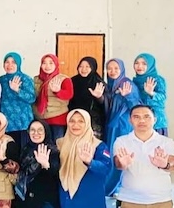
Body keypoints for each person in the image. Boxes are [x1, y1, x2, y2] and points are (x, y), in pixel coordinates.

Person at [103, 59, 142, 196]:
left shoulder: (127, 84)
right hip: (112, 125)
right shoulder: (111, 85)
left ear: (122, 70)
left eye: (116, 68)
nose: (112, 71)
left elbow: (137, 107)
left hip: (122, 125)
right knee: (111, 154)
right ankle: (112, 186)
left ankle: (118, 186)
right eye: (109, 68)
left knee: (120, 154)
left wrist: (128, 96)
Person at [0, 52, 36, 154]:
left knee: (23, 151)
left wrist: (17, 90)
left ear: (18, 64)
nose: (10, 65)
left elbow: (32, 98)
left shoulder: (25, 78)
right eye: (7, 62)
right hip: (6, 122)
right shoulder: (1, 80)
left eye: (13, 62)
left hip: (22, 122)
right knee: (9, 151)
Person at [33, 54, 73, 140]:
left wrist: (58, 91)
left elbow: (69, 95)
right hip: (40, 118)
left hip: (57, 118)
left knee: (57, 143)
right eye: (44, 63)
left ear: (56, 64)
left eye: (51, 63)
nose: (47, 66)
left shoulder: (63, 79)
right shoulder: (36, 79)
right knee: (42, 144)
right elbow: (33, 96)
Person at [68, 57, 106, 138]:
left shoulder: (98, 82)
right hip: (75, 119)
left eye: (87, 66)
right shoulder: (72, 81)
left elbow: (105, 103)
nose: (83, 69)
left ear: (93, 67)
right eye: (81, 66)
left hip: (93, 122)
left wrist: (99, 97)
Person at [132, 53, 168, 135]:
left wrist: (151, 93)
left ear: (150, 65)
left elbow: (163, 98)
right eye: (136, 63)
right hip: (140, 121)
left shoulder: (157, 79)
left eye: (144, 64)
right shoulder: (135, 81)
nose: (139, 66)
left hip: (156, 122)